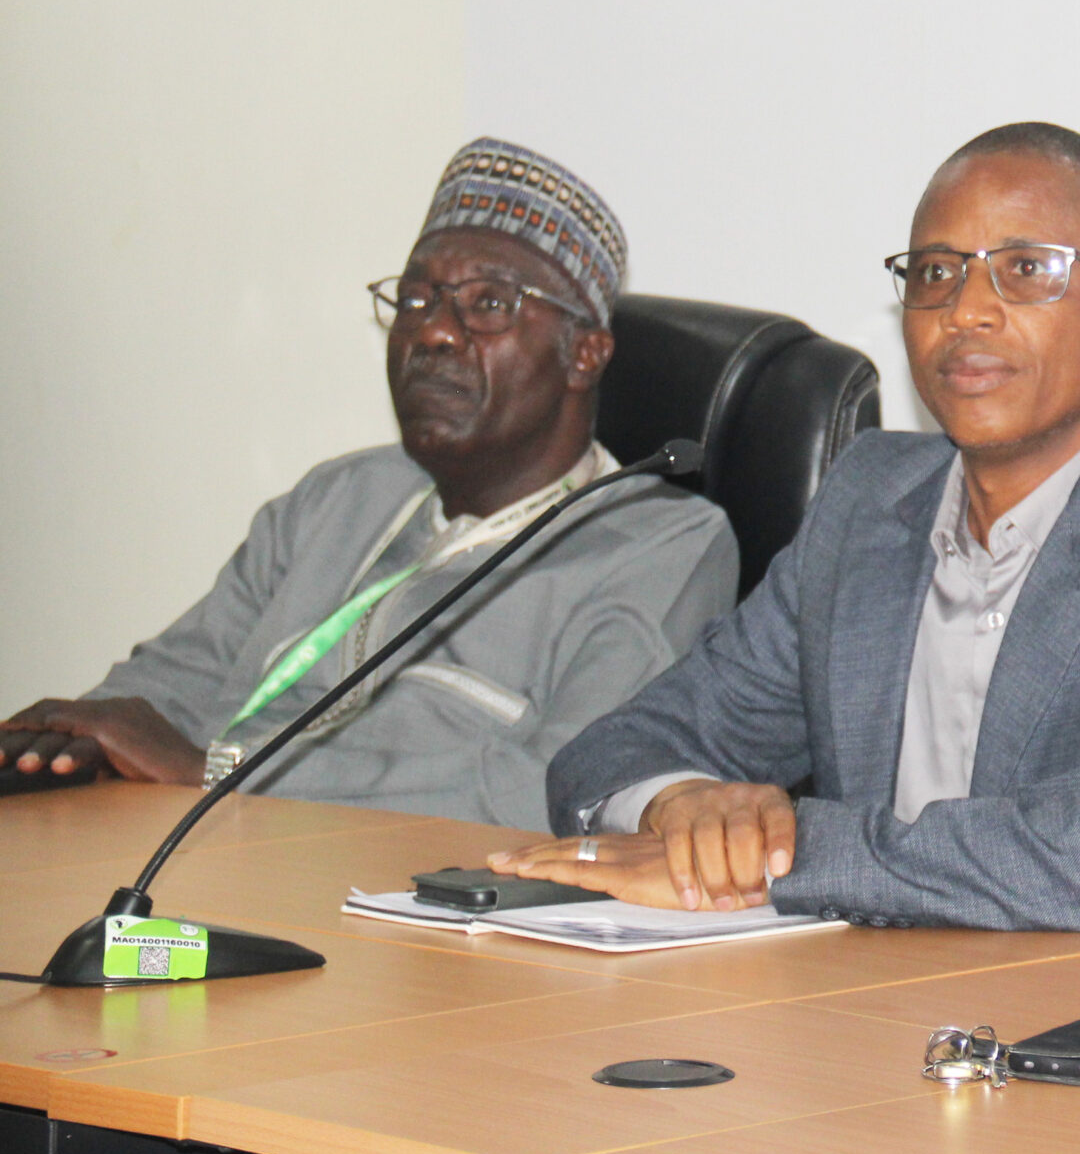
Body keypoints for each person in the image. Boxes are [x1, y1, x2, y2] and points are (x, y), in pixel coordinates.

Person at [502, 122, 1080, 930]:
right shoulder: (866, 503)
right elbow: (615, 749)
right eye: (937, 271)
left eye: (1025, 269)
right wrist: (684, 806)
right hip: (863, 998)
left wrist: (790, 854)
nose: (966, 309)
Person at [1, 139, 736, 830]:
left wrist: (219, 774)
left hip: (391, 893)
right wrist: (69, 738)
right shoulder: (337, 498)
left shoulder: (660, 544)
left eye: (488, 304)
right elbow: (178, 678)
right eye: (415, 301)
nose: (433, 333)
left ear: (585, 354)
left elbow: (560, 783)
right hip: (186, 844)